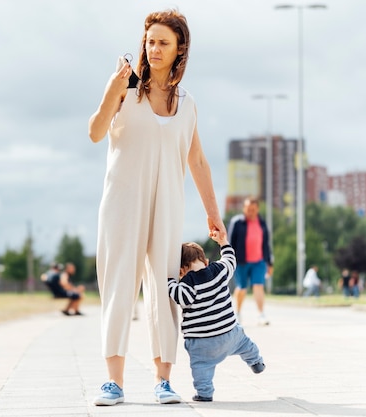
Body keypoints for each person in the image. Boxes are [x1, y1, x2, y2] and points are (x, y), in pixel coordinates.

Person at [88, 9, 226, 406]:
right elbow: (96, 133)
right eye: (150, 41)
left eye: (164, 42)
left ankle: (163, 380)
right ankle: (113, 381)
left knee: (166, 289)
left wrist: (213, 215)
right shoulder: (126, 91)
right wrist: (111, 91)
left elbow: (197, 162)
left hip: (168, 206)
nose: (154, 49)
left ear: (180, 48)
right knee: (118, 286)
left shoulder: (187, 104)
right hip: (122, 204)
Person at [167, 230, 265, 402]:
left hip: (202, 344)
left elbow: (182, 297)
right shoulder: (219, 270)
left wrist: (169, 282)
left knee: (200, 367)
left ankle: (204, 393)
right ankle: (256, 362)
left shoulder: (188, 282)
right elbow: (230, 260)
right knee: (246, 343)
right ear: (205, 261)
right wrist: (223, 243)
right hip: (230, 336)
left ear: (182, 269)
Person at [227, 197, 273, 325]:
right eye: (248, 209)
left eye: (253, 209)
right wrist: (229, 260)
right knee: (242, 288)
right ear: (244, 209)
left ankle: (261, 315)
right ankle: (237, 313)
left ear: (257, 209)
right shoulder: (237, 223)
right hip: (241, 261)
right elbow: (230, 243)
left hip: (259, 261)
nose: (250, 212)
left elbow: (266, 245)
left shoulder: (262, 223)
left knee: (258, 285)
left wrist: (269, 262)